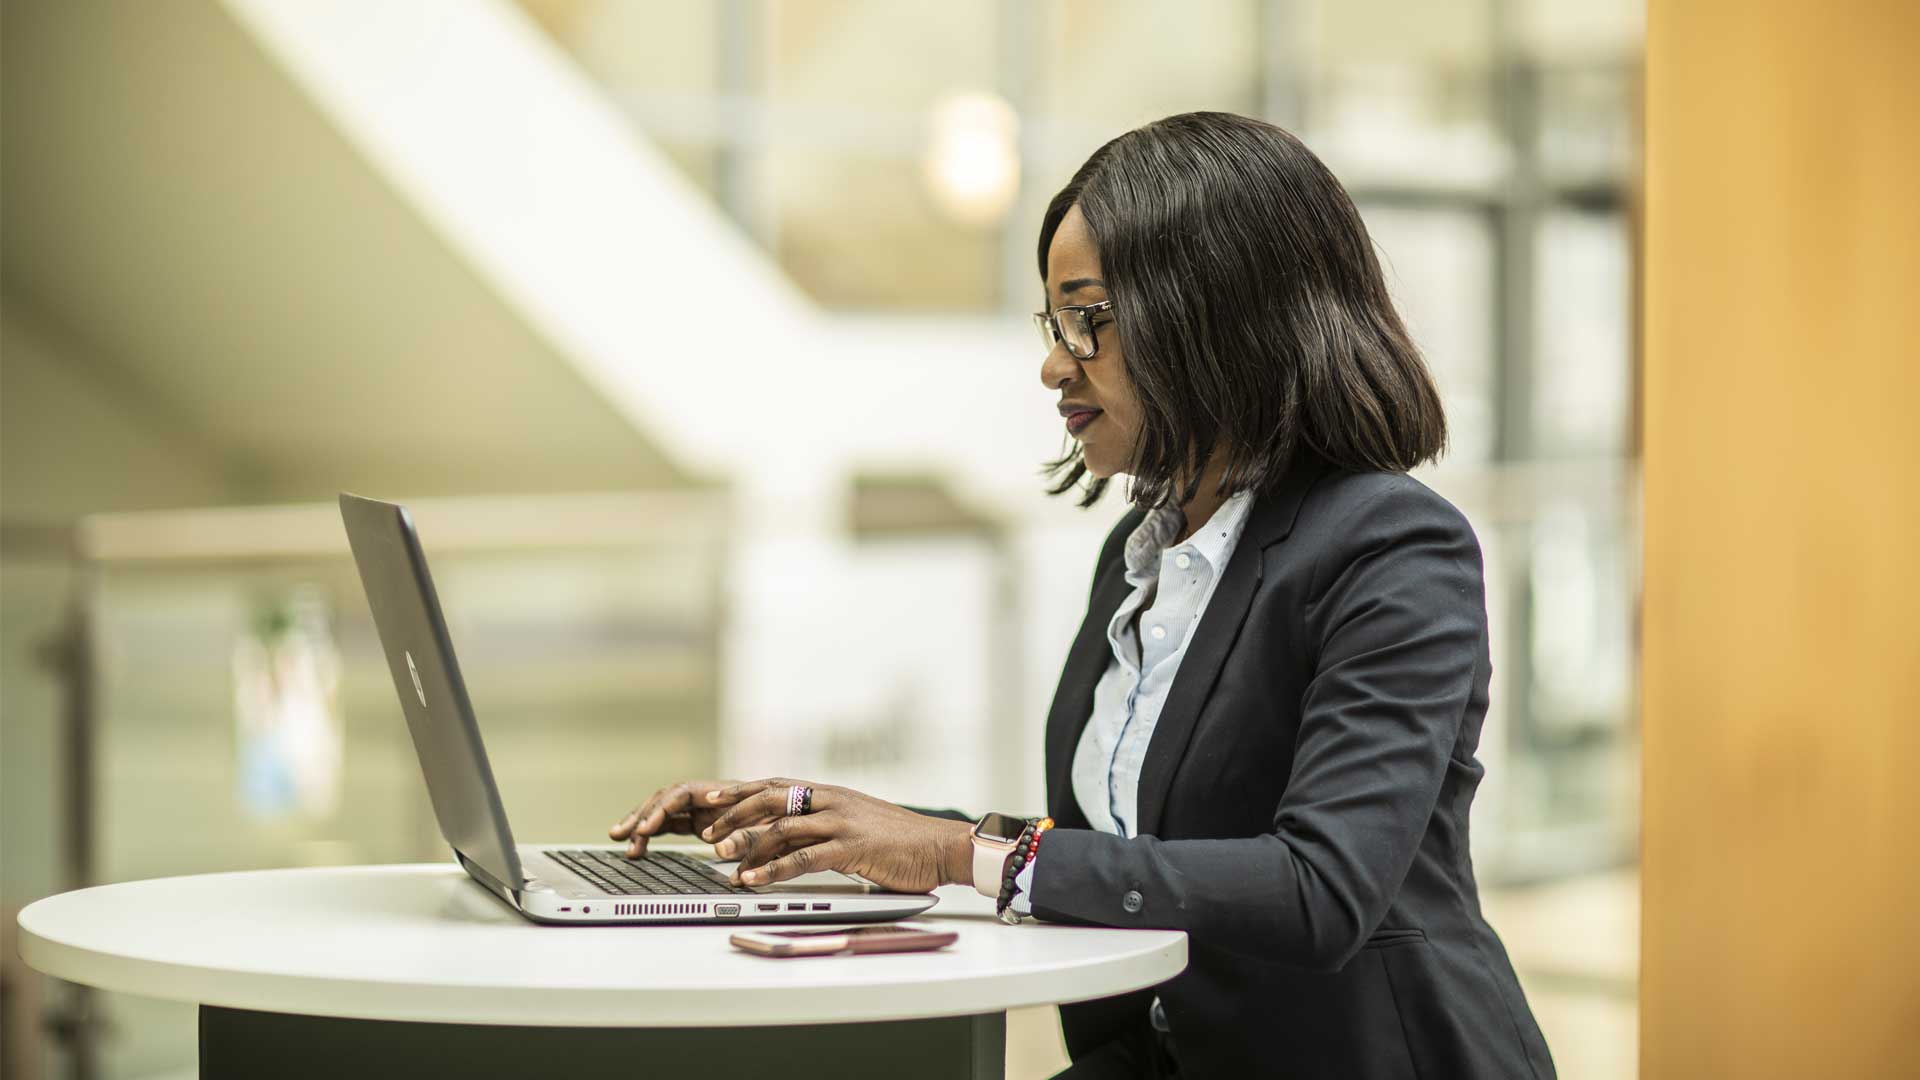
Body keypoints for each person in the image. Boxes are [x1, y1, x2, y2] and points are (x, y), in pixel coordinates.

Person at [608, 111, 1556, 1079]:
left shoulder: (1392, 545)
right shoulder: (1139, 554)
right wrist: (841, 824)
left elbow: (1319, 888)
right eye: (1054, 323)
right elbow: (1126, 850)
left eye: (1087, 318)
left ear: (1216, 314)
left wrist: (953, 852)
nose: (1055, 363)